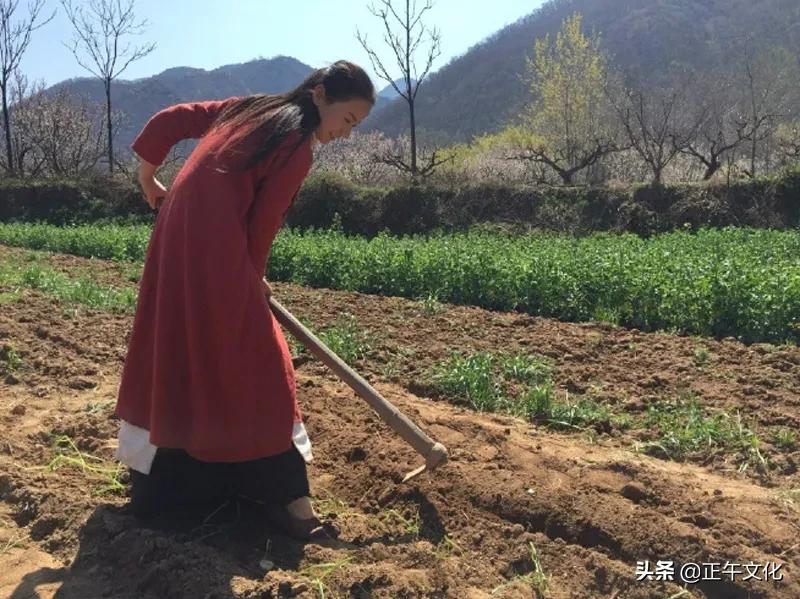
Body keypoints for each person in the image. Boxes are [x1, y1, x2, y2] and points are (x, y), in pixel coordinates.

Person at [114, 60, 375, 540]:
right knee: (259, 362)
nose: (346, 134)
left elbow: (173, 119)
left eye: (355, 127)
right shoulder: (297, 147)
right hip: (218, 249)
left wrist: (147, 176)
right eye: (348, 121)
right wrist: (253, 277)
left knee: (179, 345)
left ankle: (163, 488)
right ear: (319, 95)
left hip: (175, 240)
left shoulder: (249, 108)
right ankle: (287, 498)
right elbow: (262, 225)